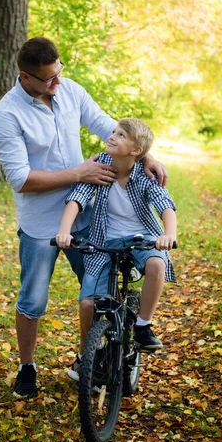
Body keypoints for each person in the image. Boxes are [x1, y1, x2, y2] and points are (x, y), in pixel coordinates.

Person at [0, 37, 169, 398]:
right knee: (33, 299)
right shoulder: (7, 115)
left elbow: (108, 126)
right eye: (47, 79)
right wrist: (78, 173)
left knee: (99, 294)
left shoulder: (69, 91)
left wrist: (145, 156)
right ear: (25, 77)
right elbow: (21, 179)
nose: (56, 84)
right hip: (41, 226)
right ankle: (27, 367)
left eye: (58, 73)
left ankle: (94, 359)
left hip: (87, 218)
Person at [55, 118, 177, 382]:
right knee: (88, 304)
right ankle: (90, 353)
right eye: (113, 132)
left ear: (135, 150)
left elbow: (165, 205)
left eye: (121, 135)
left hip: (141, 237)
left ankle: (144, 325)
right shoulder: (100, 167)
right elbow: (77, 198)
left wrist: (168, 235)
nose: (112, 136)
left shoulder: (144, 175)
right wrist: (64, 230)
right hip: (104, 240)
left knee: (157, 263)